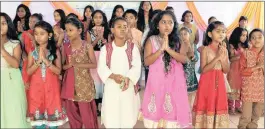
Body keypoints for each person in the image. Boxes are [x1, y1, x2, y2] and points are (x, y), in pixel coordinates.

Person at [98, 17, 141, 128]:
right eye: (119, 27)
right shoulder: (106, 49)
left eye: (125, 27)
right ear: (112, 30)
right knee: (112, 114)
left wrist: (128, 79)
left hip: (128, 86)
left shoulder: (133, 48)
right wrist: (112, 76)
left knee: (128, 113)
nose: (122, 29)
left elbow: (137, 66)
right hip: (111, 86)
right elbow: (101, 67)